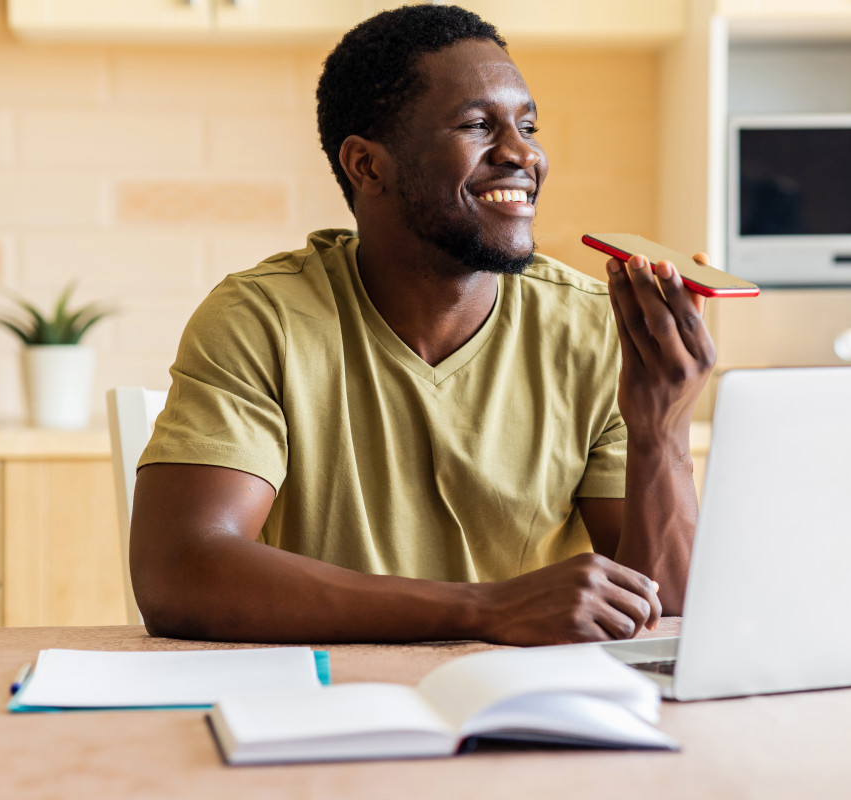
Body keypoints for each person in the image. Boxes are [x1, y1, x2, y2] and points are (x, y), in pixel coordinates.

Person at [129, 4, 715, 646]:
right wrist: (482, 609)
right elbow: (180, 573)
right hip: (325, 704)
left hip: (533, 714)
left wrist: (663, 429)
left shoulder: (591, 328)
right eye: (477, 125)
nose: (522, 154)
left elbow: (670, 615)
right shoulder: (262, 319)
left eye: (527, 125)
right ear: (367, 166)